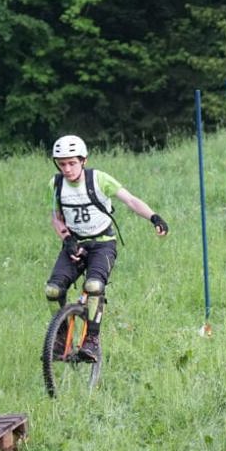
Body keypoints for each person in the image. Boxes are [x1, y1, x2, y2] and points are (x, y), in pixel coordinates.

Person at [45, 135, 169, 362]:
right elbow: (56, 217)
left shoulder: (99, 179)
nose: (67, 169)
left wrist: (154, 217)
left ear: (83, 160)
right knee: (52, 290)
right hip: (75, 244)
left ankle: (91, 339)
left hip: (102, 244)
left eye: (72, 163)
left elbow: (130, 200)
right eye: (62, 164)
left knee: (94, 286)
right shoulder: (56, 184)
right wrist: (67, 238)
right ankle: (61, 335)